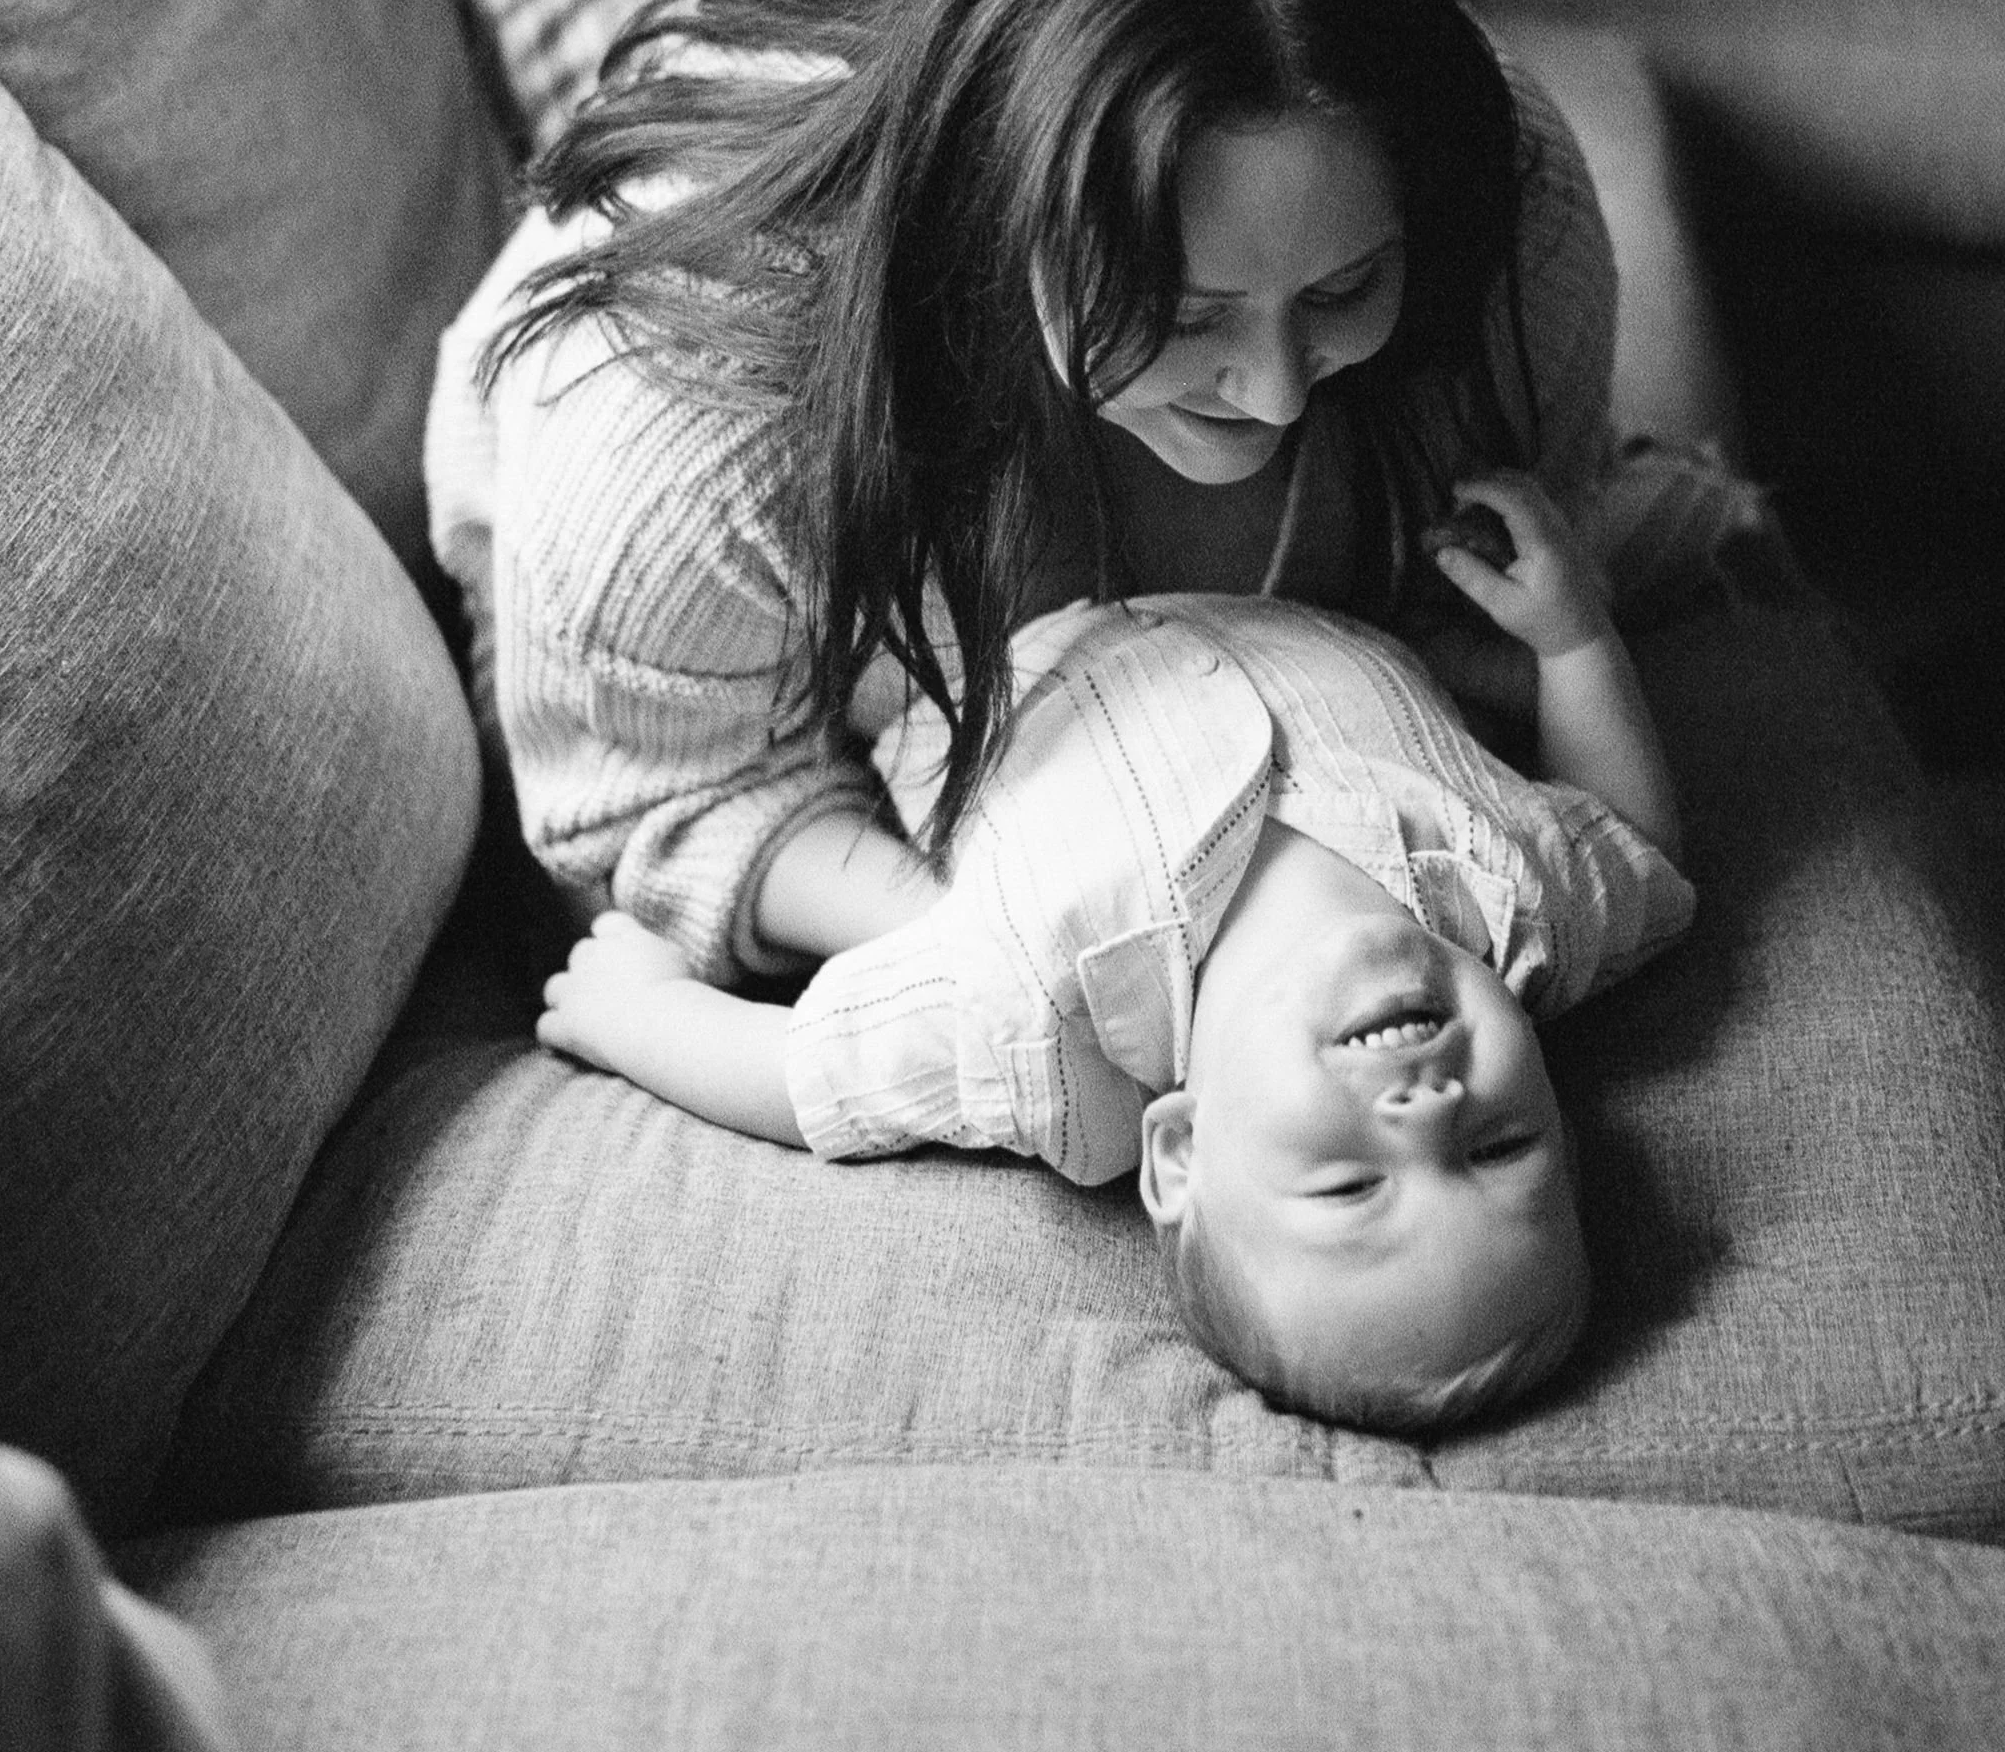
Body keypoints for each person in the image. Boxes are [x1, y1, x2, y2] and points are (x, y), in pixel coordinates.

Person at [427, 0, 1679, 1011]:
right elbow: (644, 812)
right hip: (636, 690)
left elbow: (1518, 608)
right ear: (992, 226)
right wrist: (1033, 947)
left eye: (1344, 288)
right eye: (1183, 316)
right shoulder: (679, 426)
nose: (1280, 391)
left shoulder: (1510, 214)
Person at [535, 472, 1691, 1431]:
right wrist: (1575, 640)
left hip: (972, 615)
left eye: (1350, 1184)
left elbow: (813, 1075)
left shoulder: (1043, 1031)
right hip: (1270, 545)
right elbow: (1637, 843)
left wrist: (631, 1014)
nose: (1427, 1110)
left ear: (1180, 1149)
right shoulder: (1528, 913)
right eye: (1499, 1144)